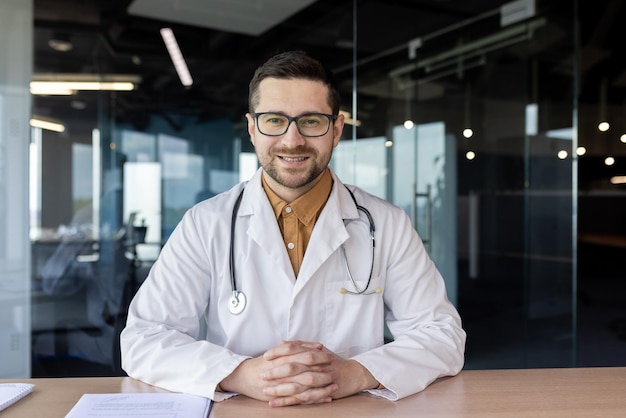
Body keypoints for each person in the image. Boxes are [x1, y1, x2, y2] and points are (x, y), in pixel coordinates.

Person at [120, 50, 466, 407]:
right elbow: (144, 339)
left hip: (350, 411)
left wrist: (355, 373)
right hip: (245, 410)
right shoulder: (205, 222)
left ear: (336, 130)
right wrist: (243, 374)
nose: (292, 140)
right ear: (253, 128)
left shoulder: (386, 223)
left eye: (311, 121)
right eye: (274, 120)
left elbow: (442, 336)